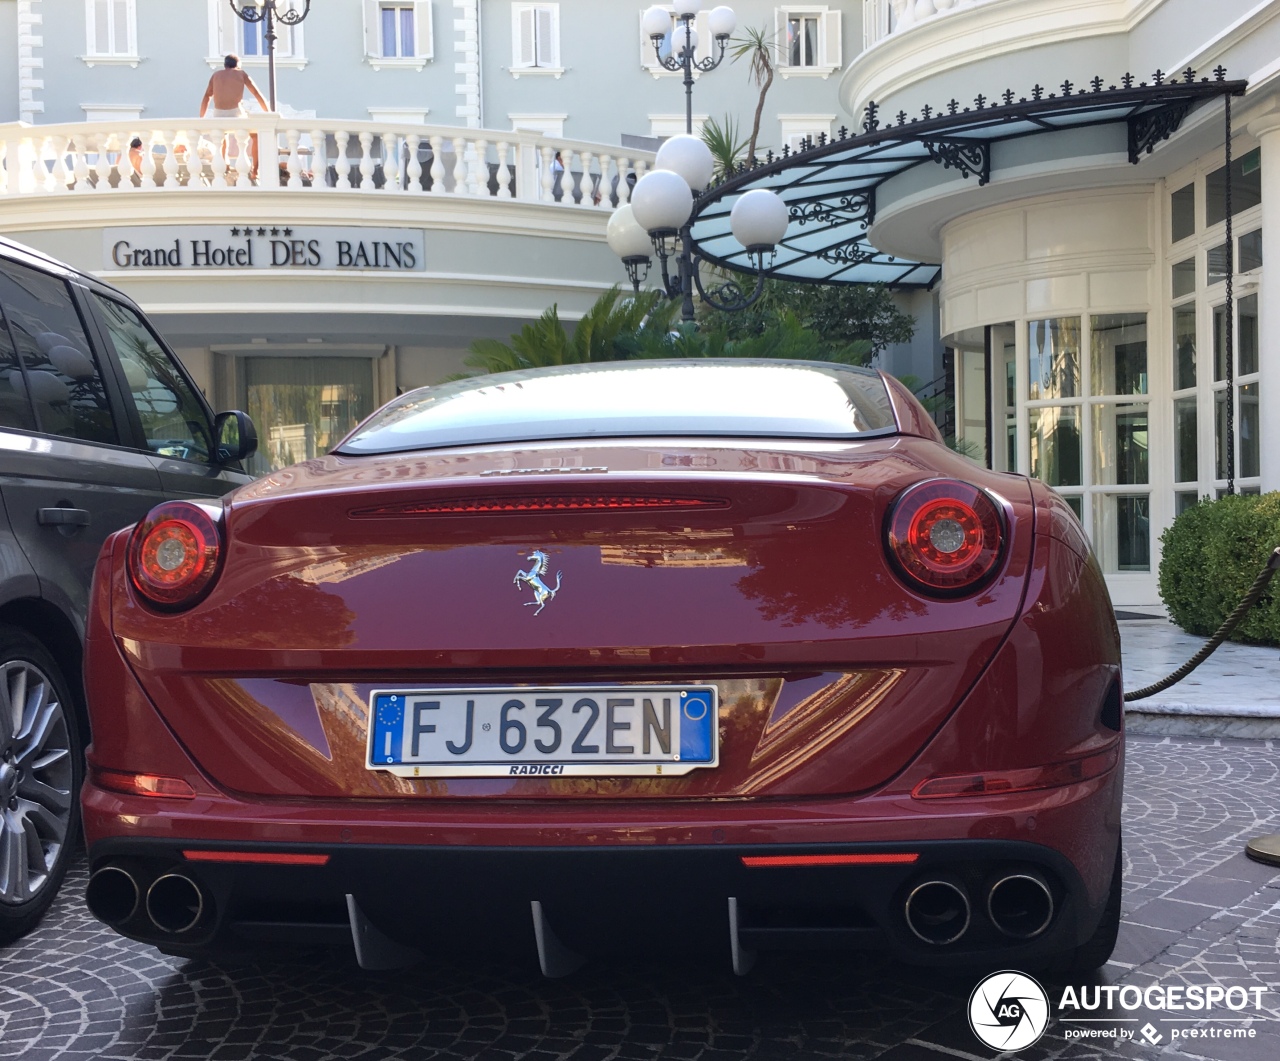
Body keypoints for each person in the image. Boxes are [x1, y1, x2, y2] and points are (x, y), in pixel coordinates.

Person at [199, 54, 269, 179]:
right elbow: (256, 94)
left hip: (218, 113)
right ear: (238, 65)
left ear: (225, 65)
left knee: (222, 135)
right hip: (236, 113)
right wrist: (268, 112)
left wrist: (201, 118)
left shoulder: (215, 75)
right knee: (255, 136)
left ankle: (225, 163)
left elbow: (206, 97)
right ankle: (255, 171)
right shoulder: (241, 73)